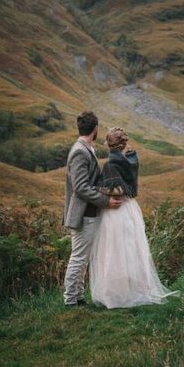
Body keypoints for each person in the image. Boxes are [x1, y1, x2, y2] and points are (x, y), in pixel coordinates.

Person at [89, 126, 179, 309]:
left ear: (109, 145)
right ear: (124, 143)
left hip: (116, 209)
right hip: (130, 209)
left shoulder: (110, 164)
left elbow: (117, 190)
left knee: (114, 250)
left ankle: (116, 294)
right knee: (131, 250)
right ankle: (133, 289)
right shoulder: (131, 159)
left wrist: (98, 189)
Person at [63, 111, 122, 308]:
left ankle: (78, 297)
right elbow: (80, 188)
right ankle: (70, 300)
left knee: (83, 257)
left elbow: (90, 182)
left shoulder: (87, 147)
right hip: (83, 214)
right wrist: (106, 201)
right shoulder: (80, 151)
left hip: (89, 212)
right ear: (95, 129)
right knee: (78, 257)